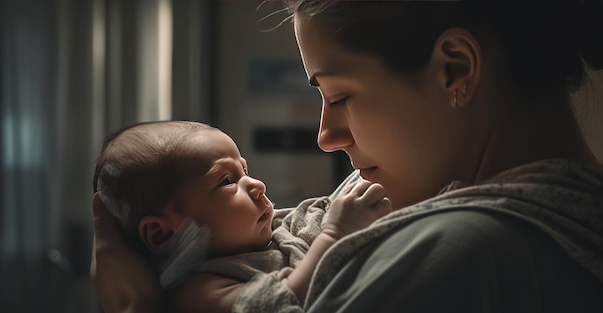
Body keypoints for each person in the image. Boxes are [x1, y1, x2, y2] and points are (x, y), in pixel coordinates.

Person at [90, 0, 603, 312]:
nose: (327, 136)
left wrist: (134, 309)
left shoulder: (454, 257)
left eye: (337, 96)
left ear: (455, 69)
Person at [92, 120, 391, 313]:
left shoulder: (279, 228)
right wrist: (335, 235)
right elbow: (284, 302)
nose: (257, 184)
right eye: (227, 181)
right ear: (162, 233)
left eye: (245, 171)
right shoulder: (199, 293)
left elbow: (323, 214)